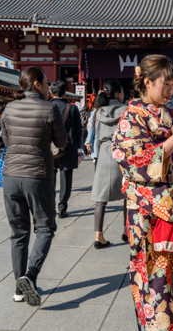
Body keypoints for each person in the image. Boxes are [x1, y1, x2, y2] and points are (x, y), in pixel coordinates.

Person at [111, 55, 173, 331]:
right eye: (166, 83)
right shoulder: (130, 118)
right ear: (147, 82)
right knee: (155, 279)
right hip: (147, 215)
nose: (171, 89)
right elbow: (130, 162)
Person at [0, 66, 67, 306]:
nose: (49, 88)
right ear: (37, 84)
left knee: (18, 233)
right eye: (47, 83)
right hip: (38, 174)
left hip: (10, 176)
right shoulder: (50, 109)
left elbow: (6, 139)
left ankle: (19, 287)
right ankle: (30, 275)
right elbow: (62, 141)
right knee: (45, 228)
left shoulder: (8, 108)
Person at [91, 79, 128, 247]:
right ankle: (127, 231)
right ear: (119, 93)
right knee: (128, 195)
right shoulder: (127, 110)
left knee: (101, 199)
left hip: (105, 152)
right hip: (124, 153)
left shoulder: (99, 112)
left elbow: (97, 137)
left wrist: (97, 157)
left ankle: (99, 236)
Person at [50, 80, 83, 220]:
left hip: (50, 149)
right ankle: (62, 208)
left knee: (50, 179)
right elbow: (78, 131)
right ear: (64, 92)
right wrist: (77, 147)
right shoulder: (73, 108)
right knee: (66, 180)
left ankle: (50, 208)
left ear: (51, 92)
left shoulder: (47, 106)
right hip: (68, 147)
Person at [85, 96, 103, 166]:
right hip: (108, 145)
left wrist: (88, 142)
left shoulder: (94, 113)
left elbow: (91, 129)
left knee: (97, 166)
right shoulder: (110, 111)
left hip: (97, 143)